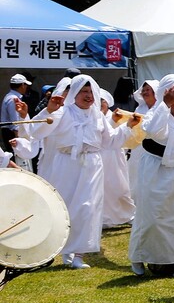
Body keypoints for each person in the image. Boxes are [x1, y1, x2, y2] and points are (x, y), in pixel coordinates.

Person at [21, 75, 132, 268]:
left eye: (90, 92)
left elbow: (110, 141)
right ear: (75, 93)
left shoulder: (97, 115)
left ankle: (79, 254)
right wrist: (49, 110)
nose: (88, 96)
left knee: (87, 207)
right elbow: (37, 132)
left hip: (92, 165)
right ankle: (64, 250)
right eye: (83, 91)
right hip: (66, 163)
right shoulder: (63, 112)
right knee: (65, 205)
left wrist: (127, 127)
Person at [128, 75, 174, 276]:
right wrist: (165, 104)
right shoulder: (153, 113)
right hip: (155, 169)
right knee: (152, 215)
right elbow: (153, 130)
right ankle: (139, 256)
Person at [97, 89, 136, 228]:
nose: (100, 104)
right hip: (100, 156)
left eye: (103, 101)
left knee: (119, 186)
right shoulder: (95, 117)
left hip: (114, 156)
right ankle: (105, 218)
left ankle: (128, 214)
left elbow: (117, 135)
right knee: (102, 188)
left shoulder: (115, 117)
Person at [3, 74, 31, 170]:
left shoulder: (10, 96)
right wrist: (19, 139)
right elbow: (15, 122)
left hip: (11, 132)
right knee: (18, 161)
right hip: (13, 134)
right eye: (26, 85)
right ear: (22, 85)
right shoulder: (13, 99)